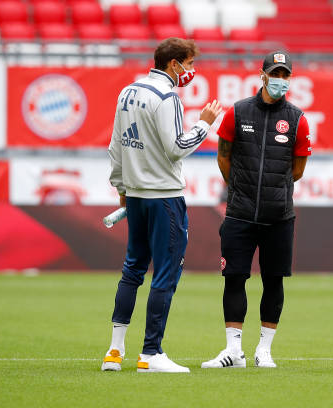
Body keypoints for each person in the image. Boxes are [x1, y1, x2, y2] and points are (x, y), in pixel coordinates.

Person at [101, 38, 222, 373]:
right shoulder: (167, 96)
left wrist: (121, 187)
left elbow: (115, 146)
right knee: (165, 274)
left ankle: (114, 351)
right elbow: (176, 147)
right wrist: (205, 123)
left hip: (136, 196)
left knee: (132, 269)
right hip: (164, 197)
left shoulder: (128, 91)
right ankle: (151, 354)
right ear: (174, 65)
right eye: (190, 64)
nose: (192, 71)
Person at [201, 51, 312, 369]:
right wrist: (239, 187)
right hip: (239, 212)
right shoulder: (237, 112)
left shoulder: (298, 119)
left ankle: (264, 350)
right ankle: (233, 351)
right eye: (274, 74)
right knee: (234, 278)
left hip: (279, 216)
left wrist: (273, 190)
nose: (279, 80)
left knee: (273, 280)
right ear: (262, 75)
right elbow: (224, 156)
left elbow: (298, 169)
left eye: (285, 75)